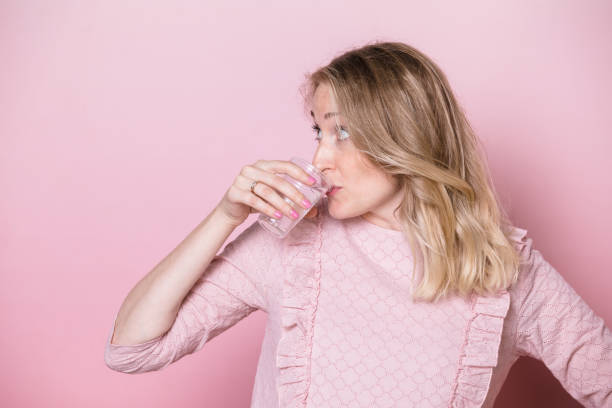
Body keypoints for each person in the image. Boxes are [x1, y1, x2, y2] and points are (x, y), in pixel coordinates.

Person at [104, 41, 612, 407]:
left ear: (406, 137)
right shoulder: (292, 243)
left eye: (342, 132)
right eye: (318, 131)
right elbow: (132, 350)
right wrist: (225, 216)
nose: (319, 157)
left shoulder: (506, 271)